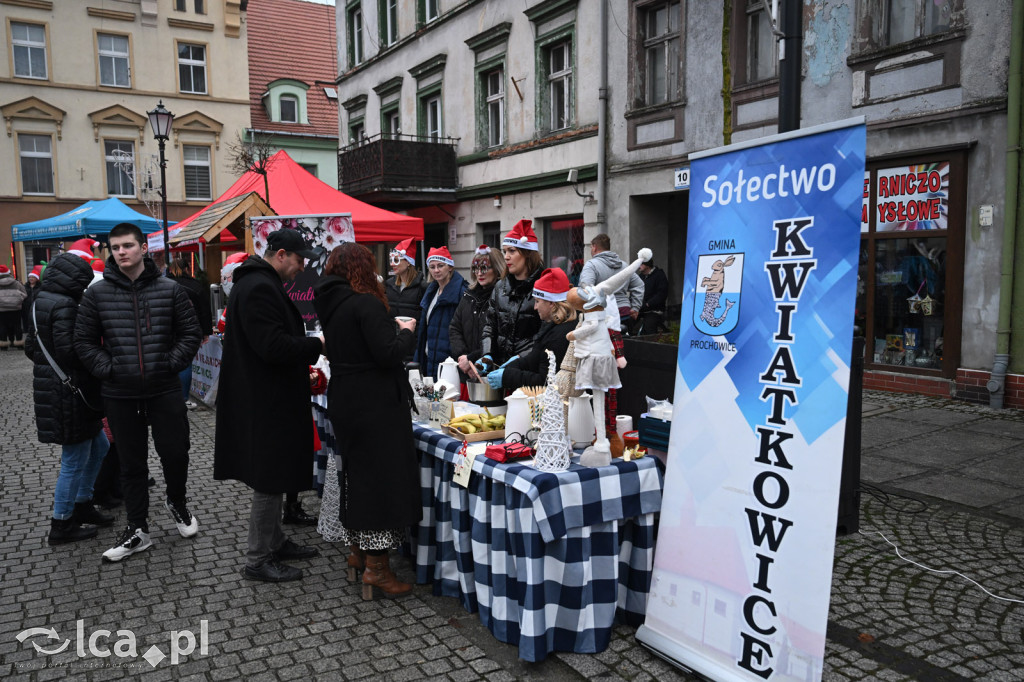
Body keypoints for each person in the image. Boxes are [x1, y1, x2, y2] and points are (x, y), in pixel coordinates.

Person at [75, 222, 202, 562]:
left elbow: (190, 333)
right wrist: (110, 369)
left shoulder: (170, 289)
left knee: (176, 453)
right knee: (131, 464)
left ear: (143, 248)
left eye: (127, 245)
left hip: (164, 387)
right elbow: (83, 342)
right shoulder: (97, 293)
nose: (121, 252)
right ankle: (137, 529)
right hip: (120, 392)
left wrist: (169, 363)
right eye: (115, 247)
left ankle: (177, 502)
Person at [214, 229, 325, 583]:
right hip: (266, 400)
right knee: (269, 478)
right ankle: (258, 558)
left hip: (267, 396)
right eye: (299, 259)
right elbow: (273, 347)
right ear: (280, 255)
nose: (302, 267)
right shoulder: (259, 286)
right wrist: (317, 345)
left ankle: (275, 541)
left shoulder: (258, 282)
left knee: (274, 475)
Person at [313, 242, 421, 600]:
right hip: (374, 403)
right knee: (379, 482)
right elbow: (388, 353)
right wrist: (406, 330)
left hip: (346, 397)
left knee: (357, 477)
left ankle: (358, 553)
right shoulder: (365, 303)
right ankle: (377, 569)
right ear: (361, 268)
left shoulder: (332, 303)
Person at [25, 253, 114, 545]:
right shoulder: (64, 304)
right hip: (69, 392)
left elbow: (30, 348)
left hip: (57, 389)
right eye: (83, 282)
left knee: (99, 445)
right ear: (74, 280)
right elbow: (70, 352)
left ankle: (83, 504)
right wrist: (100, 361)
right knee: (74, 459)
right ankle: (61, 523)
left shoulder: (40, 299)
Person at [485, 268, 577, 391]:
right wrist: (515, 364)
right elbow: (535, 359)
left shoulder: (560, 336)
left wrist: (508, 376)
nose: (535, 307)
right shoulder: (552, 326)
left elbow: (546, 382)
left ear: (551, 303)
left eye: (537, 301)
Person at [473, 220, 545, 377]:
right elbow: (489, 326)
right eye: (505, 251)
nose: (506, 257)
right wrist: (487, 354)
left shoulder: (543, 287)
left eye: (512, 251)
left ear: (527, 253)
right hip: (501, 371)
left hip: (530, 373)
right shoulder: (500, 287)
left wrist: (520, 358)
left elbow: (544, 334)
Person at [449, 245, 505, 385]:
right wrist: (464, 359)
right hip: (466, 373)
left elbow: (501, 339)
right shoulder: (468, 296)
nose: (479, 273)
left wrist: (472, 359)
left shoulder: (503, 298)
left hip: (493, 374)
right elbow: (454, 327)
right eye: (475, 268)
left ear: (497, 269)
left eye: (484, 268)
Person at [414, 246, 467, 378]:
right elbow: (424, 332)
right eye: (432, 267)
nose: (436, 270)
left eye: (440, 266)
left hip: (451, 364)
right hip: (429, 361)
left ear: (450, 267)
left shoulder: (462, 292)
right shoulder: (431, 292)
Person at [167, 257, 212, 410]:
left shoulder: (164, 284)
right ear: (187, 269)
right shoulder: (195, 285)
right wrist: (206, 332)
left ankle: (170, 397)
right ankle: (184, 398)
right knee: (185, 363)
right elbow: (205, 310)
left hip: (168, 329)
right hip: (190, 329)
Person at [579, 233, 644, 326]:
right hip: (624, 312)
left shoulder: (591, 265)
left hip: (602, 314)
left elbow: (586, 289)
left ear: (594, 247)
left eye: (591, 247)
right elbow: (639, 284)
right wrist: (635, 307)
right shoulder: (624, 265)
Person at [385, 237, 427, 322]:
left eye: (396, 260)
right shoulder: (389, 284)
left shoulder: (422, 286)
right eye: (391, 260)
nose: (392, 264)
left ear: (408, 262)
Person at [632, 256, 669, 335]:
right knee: (628, 321)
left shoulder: (659, 275)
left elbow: (662, 294)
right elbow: (635, 291)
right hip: (640, 309)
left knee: (649, 327)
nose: (639, 266)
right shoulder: (640, 277)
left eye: (641, 264)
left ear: (647, 265)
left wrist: (649, 303)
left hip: (654, 310)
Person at [0, 264, 27, 350]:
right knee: (17, 326)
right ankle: (19, 344)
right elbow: (24, 293)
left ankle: (3, 345)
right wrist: (19, 300)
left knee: (2, 326)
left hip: (1, 308)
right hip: (16, 308)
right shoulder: (16, 283)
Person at [20, 264, 42, 343]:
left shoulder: (40, 287)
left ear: (36, 278)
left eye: (33, 277)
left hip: (37, 307)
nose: (31, 279)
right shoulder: (25, 286)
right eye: (30, 277)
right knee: (27, 321)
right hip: (26, 307)